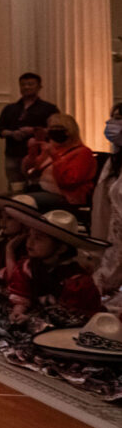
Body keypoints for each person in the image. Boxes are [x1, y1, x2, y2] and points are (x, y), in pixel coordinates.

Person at [6, 208, 107, 322]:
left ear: (61, 248)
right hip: (37, 317)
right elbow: (23, 294)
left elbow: (70, 317)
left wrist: (32, 320)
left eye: (38, 238)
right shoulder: (28, 266)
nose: (30, 242)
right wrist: (18, 311)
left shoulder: (77, 281)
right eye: (29, 236)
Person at [0, 73, 59, 193]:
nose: (26, 87)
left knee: (37, 188)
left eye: (30, 84)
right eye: (23, 84)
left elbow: (55, 130)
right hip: (13, 154)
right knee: (15, 188)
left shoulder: (48, 108)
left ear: (39, 86)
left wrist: (34, 130)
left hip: (38, 156)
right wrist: (12, 134)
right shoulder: (10, 108)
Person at [21, 113, 97, 210]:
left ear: (69, 131)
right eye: (51, 128)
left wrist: (55, 157)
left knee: (22, 203)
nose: (54, 132)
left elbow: (69, 182)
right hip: (43, 190)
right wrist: (32, 153)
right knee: (11, 203)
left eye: (59, 128)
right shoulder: (51, 149)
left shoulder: (83, 153)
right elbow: (29, 173)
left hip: (66, 197)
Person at [91, 102, 122, 305]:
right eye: (113, 118)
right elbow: (102, 205)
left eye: (119, 119)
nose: (112, 123)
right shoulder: (114, 161)